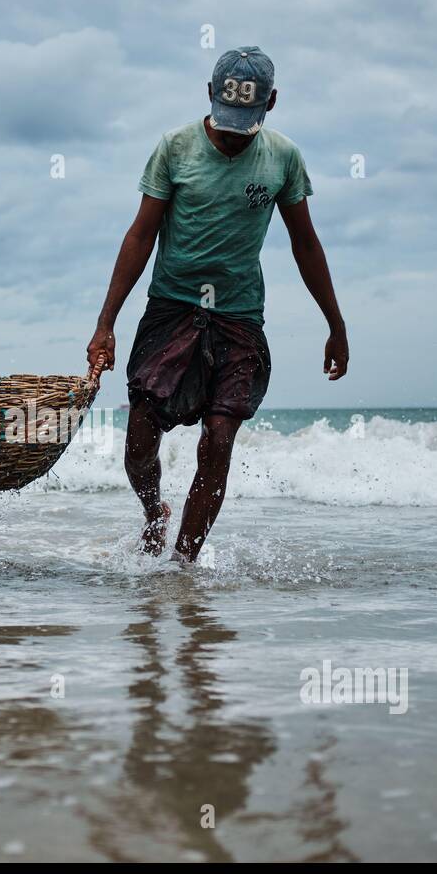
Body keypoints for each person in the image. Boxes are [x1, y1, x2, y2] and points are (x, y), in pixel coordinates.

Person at [86, 46, 349, 562]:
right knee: (140, 436)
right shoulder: (174, 148)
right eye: (226, 122)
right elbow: (140, 235)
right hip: (171, 306)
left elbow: (306, 243)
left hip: (238, 315)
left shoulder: (284, 158)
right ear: (209, 94)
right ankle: (153, 512)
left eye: (244, 126)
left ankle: (182, 567)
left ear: (271, 103)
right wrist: (105, 324)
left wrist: (335, 324)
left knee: (221, 438)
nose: (232, 136)